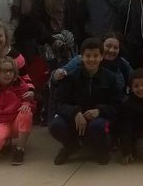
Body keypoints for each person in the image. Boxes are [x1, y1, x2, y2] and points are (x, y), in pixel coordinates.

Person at [49, 37, 123, 165]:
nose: (91, 59)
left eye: (95, 56)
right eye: (88, 55)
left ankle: (101, 149)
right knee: (55, 125)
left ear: (101, 57)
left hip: (98, 119)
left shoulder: (110, 78)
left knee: (98, 126)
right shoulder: (71, 77)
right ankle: (71, 146)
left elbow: (117, 105)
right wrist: (75, 112)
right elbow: (58, 103)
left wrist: (99, 111)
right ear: (82, 57)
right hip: (76, 118)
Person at [0, 56, 36, 165]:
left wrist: (27, 104)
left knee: (26, 112)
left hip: (17, 121)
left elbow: (32, 104)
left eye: (11, 71)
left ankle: (20, 149)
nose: (8, 74)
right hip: (1, 122)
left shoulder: (21, 85)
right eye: (4, 71)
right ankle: (5, 143)